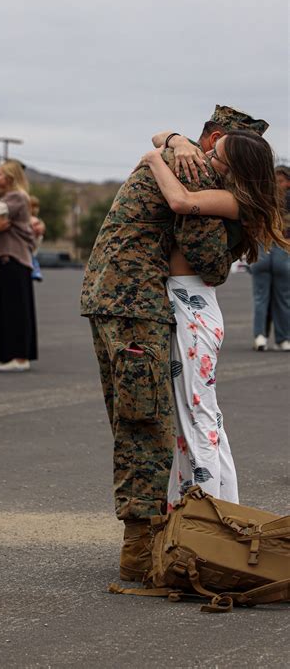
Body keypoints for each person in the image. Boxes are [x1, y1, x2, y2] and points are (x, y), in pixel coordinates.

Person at [80, 105, 269, 582]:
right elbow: (208, 260)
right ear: (216, 139)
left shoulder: (178, 155)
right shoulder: (195, 169)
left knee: (137, 414)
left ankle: (157, 537)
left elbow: (163, 144)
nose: (220, 162)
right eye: (227, 149)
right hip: (140, 301)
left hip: (106, 295)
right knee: (149, 425)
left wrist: (163, 145)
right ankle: (144, 550)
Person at [141, 130, 286, 508]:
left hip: (193, 309)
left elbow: (180, 200)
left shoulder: (233, 200)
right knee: (197, 417)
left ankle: (211, 515)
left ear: (237, 170)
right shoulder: (228, 192)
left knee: (198, 416)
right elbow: (161, 134)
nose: (206, 159)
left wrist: (155, 159)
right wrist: (177, 140)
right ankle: (207, 510)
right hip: (189, 304)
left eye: (216, 156)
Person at [0, 160, 37, 371]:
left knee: (15, 310)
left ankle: (19, 357)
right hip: (6, 258)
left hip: (15, 259)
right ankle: (8, 354)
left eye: (0, 174)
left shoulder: (18, 197)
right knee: (5, 309)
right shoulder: (10, 196)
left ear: (11, 178)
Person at [249, 164, 290, 352]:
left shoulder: (260, 199)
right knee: (283, 298)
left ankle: (260, 336)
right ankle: (283, 338)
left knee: (260, 298)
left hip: (261, 249)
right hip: (283, 250)